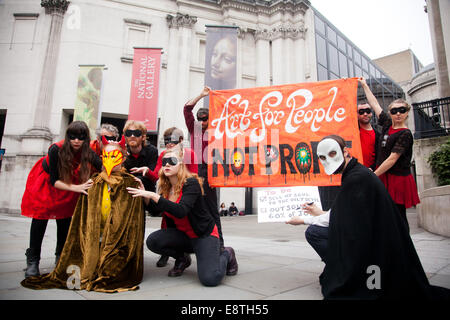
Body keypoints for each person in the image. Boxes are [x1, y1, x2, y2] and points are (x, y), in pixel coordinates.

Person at [287, 135, 449, 299]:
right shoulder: (357, 173)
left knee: (314, 232)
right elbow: (344, 214)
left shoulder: (356, 178)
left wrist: (302, 220)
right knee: (319, 230)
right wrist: (318, 212)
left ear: (345, 151)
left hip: (375, 247)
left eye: (332, 154)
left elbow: (338, 219)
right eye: (322, 157)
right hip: (376, 240)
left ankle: (344, 271)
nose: (328, 161)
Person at [21, 139, 145, 293]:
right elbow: (82, 221)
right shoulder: (94, 181)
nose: (110, 160)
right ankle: (35, 258)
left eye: (115, 156)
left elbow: (136, 222)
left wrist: (145, 194)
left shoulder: (131, 182)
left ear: (123, 158)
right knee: (41, 218)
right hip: (51, 186)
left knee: (109, 272)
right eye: (106, 156)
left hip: (116, 244)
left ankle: (62, 255)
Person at [127, 147, 238, 287]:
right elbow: (156, 210)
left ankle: (227, 254)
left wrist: (153, 195)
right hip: (184, 237)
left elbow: (181, 210)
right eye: (164, 161)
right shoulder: (165, 187)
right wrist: (146, 196)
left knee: (211, 278)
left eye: (172, 161)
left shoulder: (191, 183)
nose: (167, 164)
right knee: (153, 241)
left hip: (203, 235)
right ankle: (182, 258)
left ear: (181, 164)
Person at [21, 121, 102, 278]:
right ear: (67, 136)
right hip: (48, 184)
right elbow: (54, 181)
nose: (76, 141)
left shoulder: (88, 151)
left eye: (81, 137)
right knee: (39, 220)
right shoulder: (56, 149)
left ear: (86, 138)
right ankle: (33, 260)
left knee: (65, 221)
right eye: (73, 137)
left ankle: (61, 258)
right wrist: (77, 188)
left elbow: (103, 166)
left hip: (69, 184)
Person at [359, 77, 420, 231]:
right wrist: (364, 85)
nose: (398, 114)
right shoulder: (387, 125)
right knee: (386, 214)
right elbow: (374, 104)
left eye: (402, 110)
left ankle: (404, 247)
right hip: (384, 175)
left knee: (398, 215)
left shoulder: (405, 134)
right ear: (390, 113)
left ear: (407, 113)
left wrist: (374, 175)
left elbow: (392, 159)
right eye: (394, 111)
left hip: (397, 179)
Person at [144, 127, 198, 268]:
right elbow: (157, 174)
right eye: (166, 140)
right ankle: (171, 254)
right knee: (167, 222)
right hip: (170, 194)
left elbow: (195, 177)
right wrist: (147, 171)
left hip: (185, 196)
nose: (169, 144)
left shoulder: (189, 154)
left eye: (172, 140)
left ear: (181, 140)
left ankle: (197, 248)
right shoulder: (163, 155)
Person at [184, 86, 225, 249]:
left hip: (209, 173)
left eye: (205, 119)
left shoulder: (217, 131)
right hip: (194, 173)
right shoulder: (194, 129)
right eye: (199, 119)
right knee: (188, 209)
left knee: (212, 209)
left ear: (210, 118)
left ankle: (220, 243)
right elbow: (187, 109)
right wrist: (201, 95)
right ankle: (190, 245)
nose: (201, 122)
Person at [123, 120, 158, 192]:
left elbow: (152, 176)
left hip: (146, 193)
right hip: (127, 192)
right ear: (125, 137)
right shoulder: (122, 152)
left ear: (143, 137)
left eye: (136, 133)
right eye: (129, 133)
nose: (132, 136)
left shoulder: (152, 151)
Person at [357, 103, 380, 170]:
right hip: (354, 172)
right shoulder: (353, 132)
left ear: (371, 113)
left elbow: (380, 156)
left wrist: (372, 168)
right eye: (361, 112)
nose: (365, 114)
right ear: (357, 114)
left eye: (368, 111)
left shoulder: (378, 135)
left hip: (371, 172)